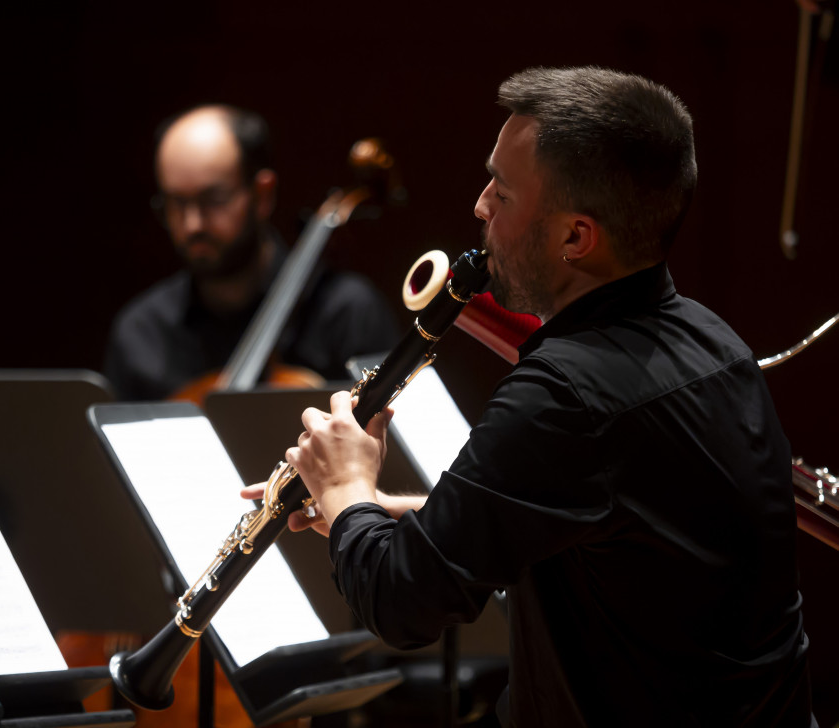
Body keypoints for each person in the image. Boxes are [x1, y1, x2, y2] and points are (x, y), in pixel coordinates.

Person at [259, 67, 816, 726]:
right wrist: (383, 511)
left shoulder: (566, 396)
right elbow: (594, 524)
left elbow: (400, 604)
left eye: (502, 190)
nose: (479, 205)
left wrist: (346, 485)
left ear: (575, 237)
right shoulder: (715, 344)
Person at [103, 104, 399, 401]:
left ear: (262, 194)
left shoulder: (349, 314)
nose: (192, 224)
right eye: (176, 202)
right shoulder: (141, 333)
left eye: (213, 198)